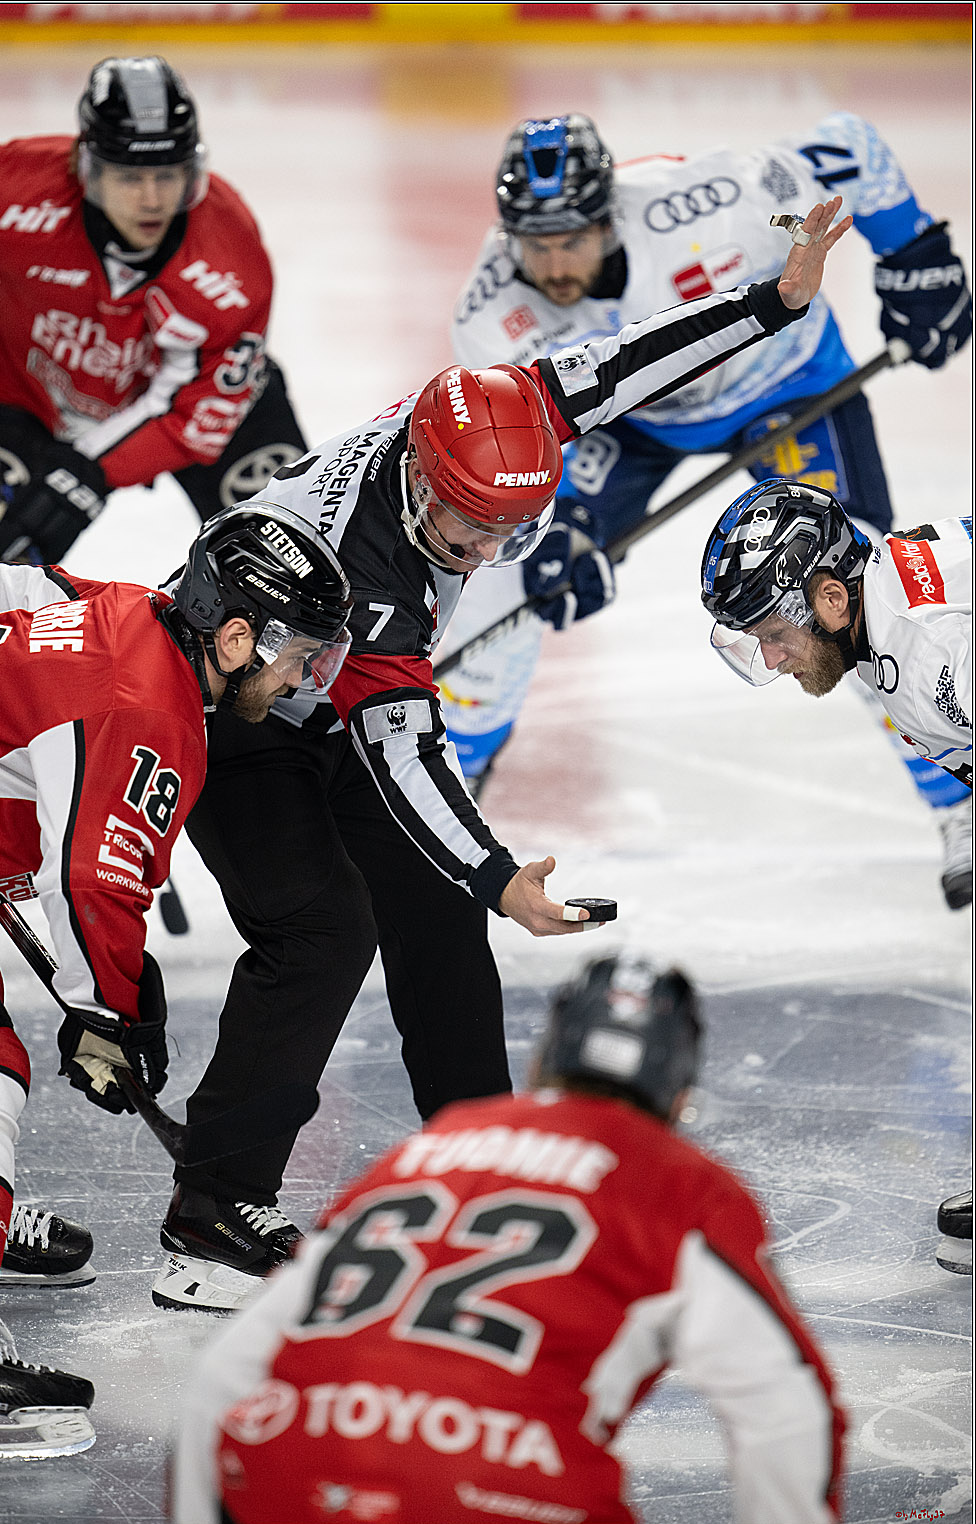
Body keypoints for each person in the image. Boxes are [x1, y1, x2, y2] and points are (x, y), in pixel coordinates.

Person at [151, 194, 851, 1317]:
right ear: (422, 480)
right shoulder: (369, 574)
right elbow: (401, 746)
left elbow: (629, 362)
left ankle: (479, 1176)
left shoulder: (501, 417)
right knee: (324, 926)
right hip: (233, 705)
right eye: (468, 529)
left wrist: (770, 302)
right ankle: (212, 1215)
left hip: (318, 687)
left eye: (508, 533)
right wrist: (498, 875)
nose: (484, 553)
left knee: (432, 914)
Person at [440, 111, 973, 907]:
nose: (551, 265)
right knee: (515, 574)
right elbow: (525, 437)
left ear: (608, 215)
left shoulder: (714, 199)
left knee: (851, 599)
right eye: (533, 244)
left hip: (785, 383)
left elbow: (853, 147)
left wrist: (914, 256)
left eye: (571, 240)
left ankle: (956, 799)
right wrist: (558, 521)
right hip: (632, 421)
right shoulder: (488, 313)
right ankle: (452, 784)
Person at [170, 950, 846, 1524]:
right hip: (505, 1495)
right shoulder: (685, 1184)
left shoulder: (432, 1146)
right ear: (679, 1093)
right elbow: (786, 1406)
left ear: (544, 1058)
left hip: (292, 1471)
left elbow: (224, 1373)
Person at [0, 504, 353, 1457]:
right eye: (301, 655)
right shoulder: (152, 707)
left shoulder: (126, 608)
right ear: (236, 638)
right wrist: (110, 1013)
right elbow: (90, 882)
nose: (303, 680)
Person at [700, 476, 972, 1276]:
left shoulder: (931, 657)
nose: (773, 659)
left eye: (773, 633)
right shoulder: (887, 601)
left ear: (828, 597)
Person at [0, 55, 308, 605]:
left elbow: (194, 416)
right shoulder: (14, 192)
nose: (152, 199)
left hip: (186, 402)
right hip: (20, 397)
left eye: (167, 175)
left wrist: (88, 472)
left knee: (288, 545)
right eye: (128, 177)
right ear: (88, 170)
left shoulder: (230, 261)